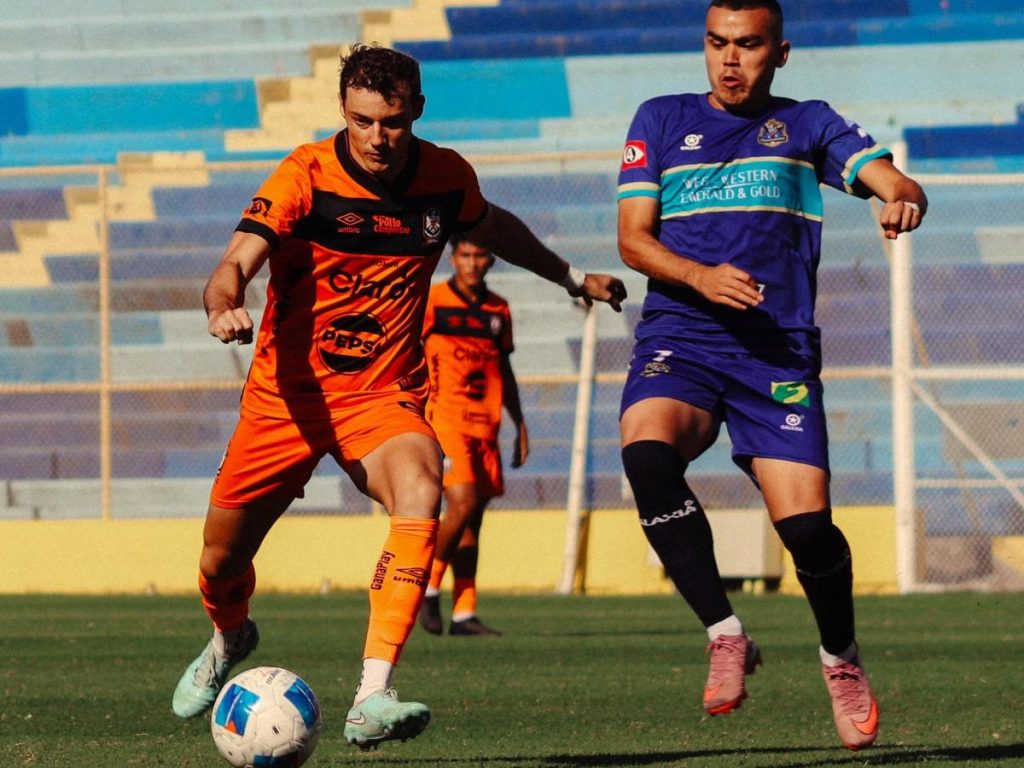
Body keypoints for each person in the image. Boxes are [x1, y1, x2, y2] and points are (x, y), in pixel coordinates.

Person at [171, 43, 626, 752]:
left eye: (392, 122)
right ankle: (230, 638)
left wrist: (571, 275)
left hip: (383, 395)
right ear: (342, 112)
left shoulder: (445, 178)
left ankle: (371, 695)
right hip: (285, 400)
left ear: (415, 111)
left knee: (422, 490)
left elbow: (493, 225)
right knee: (219, 563)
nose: (378, 139)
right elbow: (234, 262)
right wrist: (222, 306)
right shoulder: (304, 175)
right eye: (362, 122)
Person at [616, 0, 926, 752]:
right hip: (682, 336)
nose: (730, 60)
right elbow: (632, 241)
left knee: (810, 532)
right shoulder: (659, 118)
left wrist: (900, 202)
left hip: (775, 354)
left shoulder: (810, 124)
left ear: (778, 52)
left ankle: (840, 658)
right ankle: (725, 633)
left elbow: (899, 183)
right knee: (648, 457)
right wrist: (699, 275)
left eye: (748, 45)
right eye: (718, 44)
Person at [417, 234, 528, 637]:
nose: (472, 262)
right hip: (445, 419)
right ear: (454, 257)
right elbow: (409, 351)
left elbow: (506, 370)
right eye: (465, 254)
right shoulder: (433, 301)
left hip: (487, 424)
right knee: (460, 504)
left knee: (473, 521)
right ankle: (427, 586)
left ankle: (464, 611)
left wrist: (520, 423)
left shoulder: (499, 309)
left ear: (491, 259)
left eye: (480, 254)